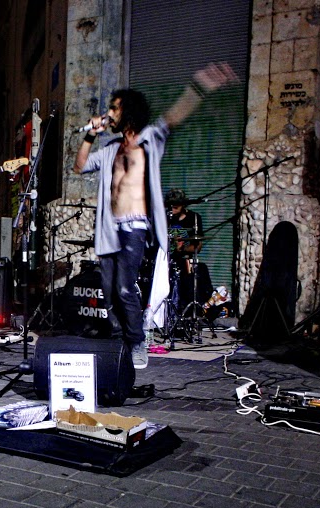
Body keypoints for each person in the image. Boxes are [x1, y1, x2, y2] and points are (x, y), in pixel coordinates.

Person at [74, 62, 238, 369]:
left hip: (134, 227)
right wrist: (90, 136)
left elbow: (175, 115)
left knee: (125, 288)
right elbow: (80, 166)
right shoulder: (109, 149)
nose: (109, 112)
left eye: (115, 107)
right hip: (109, 229)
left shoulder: (150, 139)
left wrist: (201, 85)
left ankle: (138, 341)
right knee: (109, 294)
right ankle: (121, 342)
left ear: (129, 110)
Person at [165, 188, 210, 312]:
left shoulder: (193, 218)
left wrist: (182, 248)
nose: (172, 209)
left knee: (192, 276)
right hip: (166, 259)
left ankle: (189, 309)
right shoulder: (165, 218)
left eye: (176, 207)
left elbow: (198, 246)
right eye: (170, 206)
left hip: (185, 260)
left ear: (183, 205)